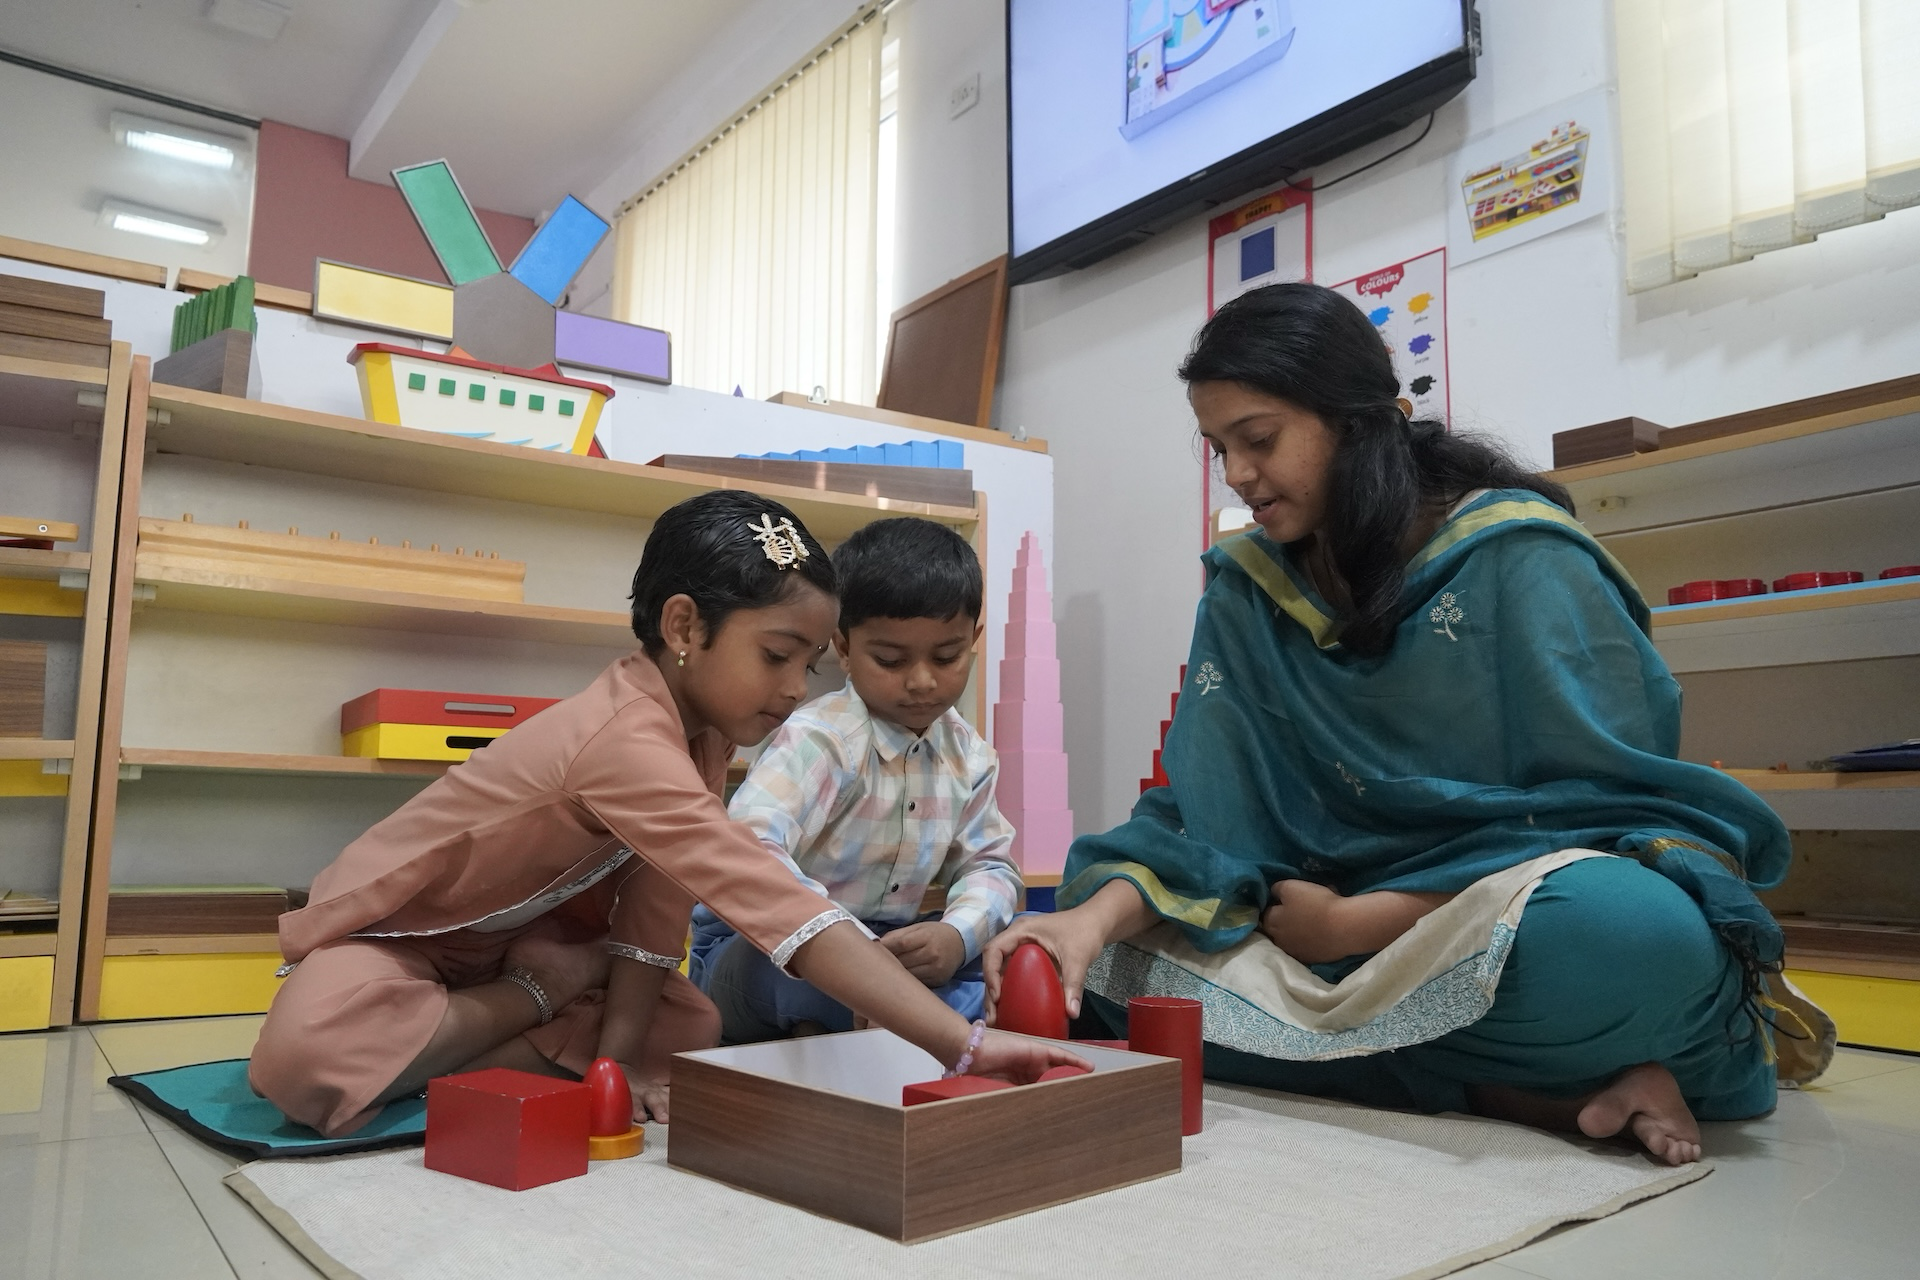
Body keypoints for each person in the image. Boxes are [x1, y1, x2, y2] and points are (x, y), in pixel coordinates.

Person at [983, 283, 1831, 1167]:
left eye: (1259, 440)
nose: (1237, 476)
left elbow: (1611, 816)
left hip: (1482, 926)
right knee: (1110, 976)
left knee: (1632, 938)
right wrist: (1083, 928)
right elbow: (1202, 810)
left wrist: (1360, 923)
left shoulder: (1520, 557)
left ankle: (1457, 1071)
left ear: (1358, 422)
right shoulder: (1247, 589)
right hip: (1312, 939)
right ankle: (1525, 1091)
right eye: (1217, 448)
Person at [249, 491, 1082, 1138]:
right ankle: (540, 997)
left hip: (513, 953)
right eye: (776, 657)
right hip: (401, 950)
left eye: (805, 664)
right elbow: (765, 892)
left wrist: (614, 1067)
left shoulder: (703, 735)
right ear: (684, 625)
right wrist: (962, 1046)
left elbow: (652, 918)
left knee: (690, 1022)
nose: (796, 689)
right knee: (304, 1058)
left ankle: (509, 1021)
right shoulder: (624, 738)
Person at [691, 517, 1020, 1041]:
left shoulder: (970, 757)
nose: (921, 681)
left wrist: (955, 936)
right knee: (816, 987)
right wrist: (850, 957)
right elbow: (747, 848)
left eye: (947, 656)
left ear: (974, 639)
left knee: (1021, 966)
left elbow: (991, 867)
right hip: (762, 947)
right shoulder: (822, 738)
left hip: (887, 948)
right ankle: (872, 1023)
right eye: (889, 659)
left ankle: (855, 1027)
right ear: (842, 647)